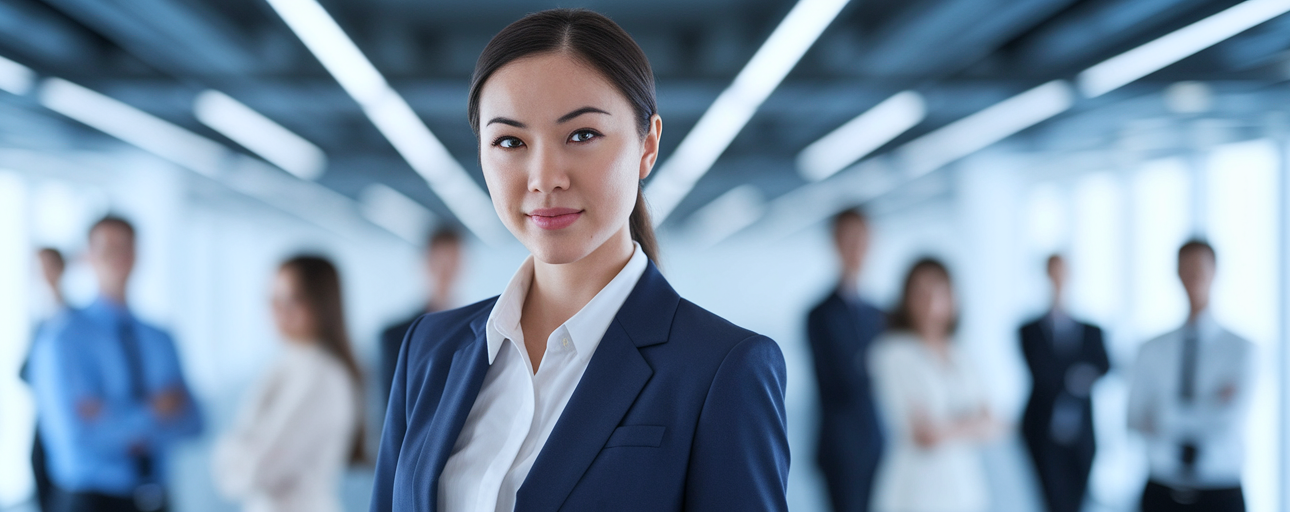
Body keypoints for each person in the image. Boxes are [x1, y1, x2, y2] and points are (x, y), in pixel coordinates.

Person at [370, 9, 788, 512]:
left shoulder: (723, 369)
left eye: (582, 134)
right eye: (510, 141)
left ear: (648, 144)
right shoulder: (429, 351)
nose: (545, 177)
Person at [29, 216, 203, 512]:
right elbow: (76, 439)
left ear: (137, 254)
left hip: (155, 499)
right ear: (87, 257)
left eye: (125, 247)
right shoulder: (61, 340)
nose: (117, 256)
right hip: (90, 501)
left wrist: (111, 416)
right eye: (106, 248)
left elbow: (195, 422)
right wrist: (155, 411)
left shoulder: (161, 337)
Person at [213, 256, 365, 512]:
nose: (277, 311)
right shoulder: (287, 363)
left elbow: (257, 470)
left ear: (320, 303)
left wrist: (230, 453)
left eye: (292, 300)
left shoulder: (321, 375)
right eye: (273, 300)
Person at [1128, 240, 1253, 512]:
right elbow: (1134, 420)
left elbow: (1227, 423)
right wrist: (1208, 407)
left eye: (1200, 268)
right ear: (1176, 272)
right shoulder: (1151, 349)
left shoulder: (1241, 350)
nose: (1194, 276)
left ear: (1215, 272)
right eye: (1187, 268)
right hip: (1161, 491)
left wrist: (1163, 413)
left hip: (1220, 492)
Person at [869, 258, 1001, 512]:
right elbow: (925, 434)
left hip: (965, 490)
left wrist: (948, 428)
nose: (930, 300)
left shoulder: (962, 354)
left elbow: (994, 425)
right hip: (916, 492)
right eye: (921, 292)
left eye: (938, 290)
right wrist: (972, 423)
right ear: (906, 299)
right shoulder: (891, 353)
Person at [806, 207, 886, 512]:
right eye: (849, 238)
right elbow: (836, 379)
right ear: (835, 242)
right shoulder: (819, 315)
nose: (857, 247)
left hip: (878, 440)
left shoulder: (880, 313)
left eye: (863, 238)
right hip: (841, 447)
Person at [1019, 255, 1109, 512]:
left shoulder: (1091, 329)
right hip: (1041, 428)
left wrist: (1064, 373)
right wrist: (1078, 373)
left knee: (1079, 498)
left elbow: (1105, 365)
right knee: (1048, 498)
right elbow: (1042, 372)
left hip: (1081, 430)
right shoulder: (1029, 329)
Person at [380, 226, 464, 401]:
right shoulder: (395, 336)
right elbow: (389, 407)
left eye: (452, 264)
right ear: (425, 264)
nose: (446, 273)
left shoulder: (476, 332)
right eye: (439, 264)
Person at [26, 247, 69, 512]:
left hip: (70, 417)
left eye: (48, 266)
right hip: (46, 417)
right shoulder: (39, 319)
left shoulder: (75, 318)